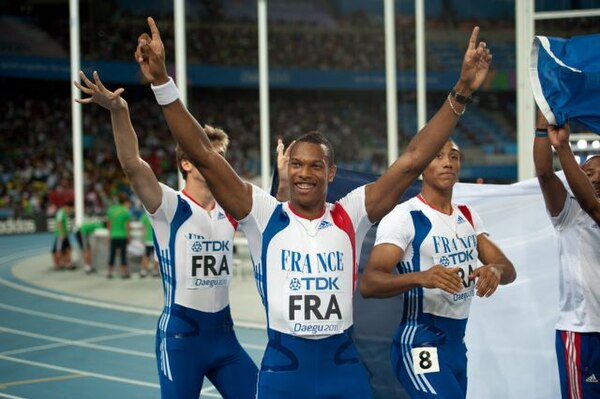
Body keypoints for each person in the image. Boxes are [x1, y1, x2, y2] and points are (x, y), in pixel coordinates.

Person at [135, 16, 492, 398]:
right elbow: (204, 154)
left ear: (331, 172)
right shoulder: (264, 216)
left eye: (316, 165)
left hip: (344, 372)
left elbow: (412, 161)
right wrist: (161, 83)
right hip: (284, 374)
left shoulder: (349, 215)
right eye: (297, 164)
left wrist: (461, 92)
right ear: (288, 168)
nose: (305, 173)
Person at [74, 70, 259, 399]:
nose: (218, 163)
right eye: (209, 155)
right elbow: (132, 164)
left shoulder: (231, 208)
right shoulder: (169, 205)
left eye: (221, 157)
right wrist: (119, 112)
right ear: (186, 163)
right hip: (181, 339)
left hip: (224, 337)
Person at [359, 139, 516, 398]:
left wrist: (495, 271)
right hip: (420, 341)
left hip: (456, 345)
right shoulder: (405, 217)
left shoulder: (468, 215)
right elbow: (369, 283)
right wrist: (422, 277)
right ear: (422, 166)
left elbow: (507, 269)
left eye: (454, 157)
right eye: (438, 156)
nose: (447, 162)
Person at [534, 111, 600, 399]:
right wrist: (542, 122)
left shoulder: (588, 206)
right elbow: (545, 173)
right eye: (587, 172)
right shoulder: (569, 213)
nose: (593, 177)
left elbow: (591, 202)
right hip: (581, 332)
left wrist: (563, 148)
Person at [106, 193, 132, 279]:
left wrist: (109, 234)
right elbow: (127, 226)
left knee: (112, 254)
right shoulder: (125, 211)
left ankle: (110, 272)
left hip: (113, 235)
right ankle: (124, 273)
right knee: (123, 255)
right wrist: (128, 236)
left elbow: (109, 224)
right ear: (124, 202)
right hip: (122, 235)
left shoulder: (111, 210)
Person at [52, 200, 75, 270]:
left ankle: (68, 264)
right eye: (71, 209)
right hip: (60, 235)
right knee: (58, 250)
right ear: (67, 207)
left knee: (68, 249)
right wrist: (61, 234)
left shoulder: (63, 212)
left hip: (64, 234)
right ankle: (58, 265)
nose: (70, 211)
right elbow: (59, 223)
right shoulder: (61, 212)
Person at [139, 211, 159, 277]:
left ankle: (143, 271)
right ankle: (154, 271)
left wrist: (142, 239)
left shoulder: (144, 216)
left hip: (147, 240)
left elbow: (143, 229)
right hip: (156, 240)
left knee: (146, 256)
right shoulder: (157, 216)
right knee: (156, 257)